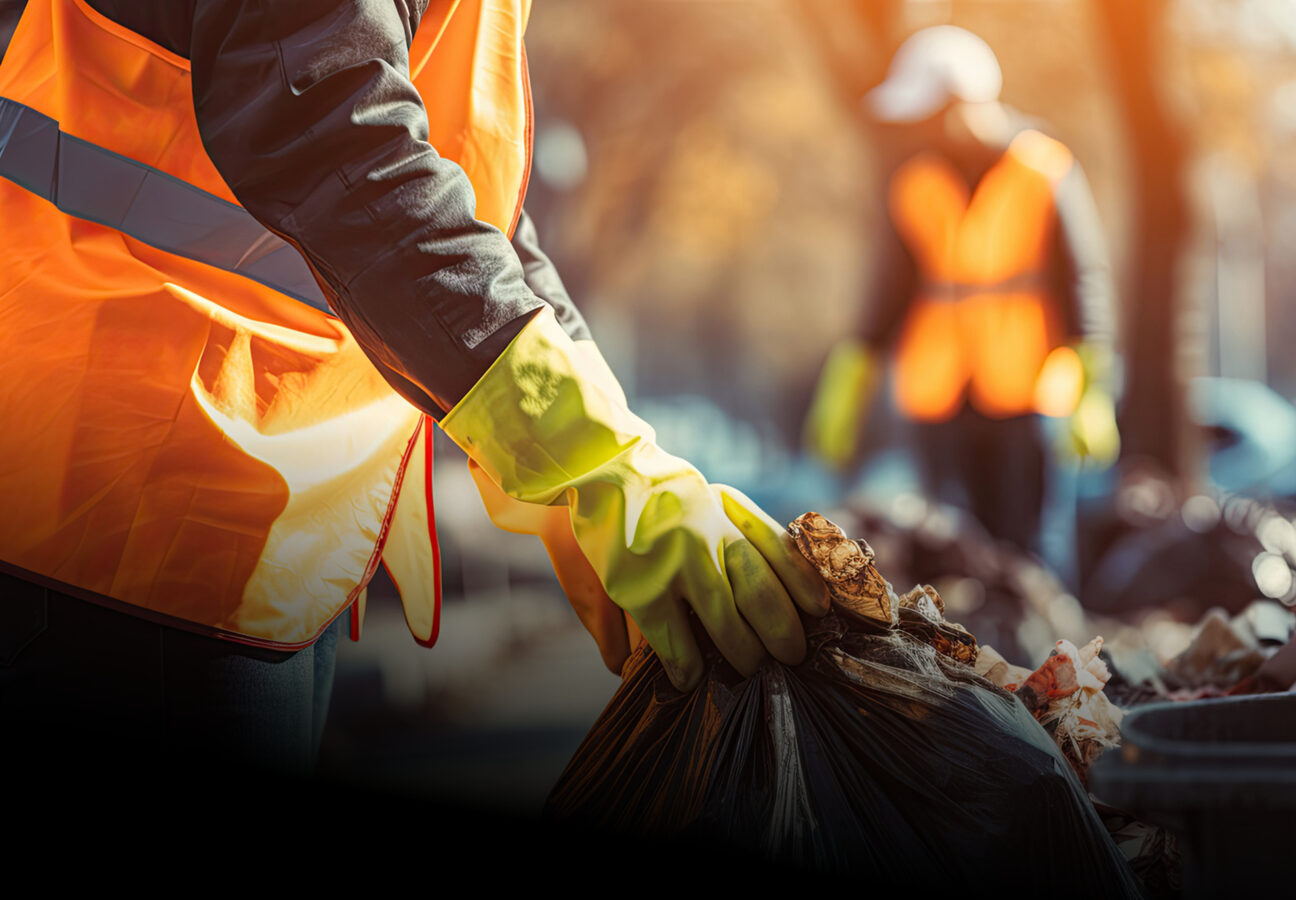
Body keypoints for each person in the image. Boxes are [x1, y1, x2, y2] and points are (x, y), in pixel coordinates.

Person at [0, 0, 827, 772]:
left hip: (231, 518)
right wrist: (591, 460)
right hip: (121, 506)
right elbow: (329, 124)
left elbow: (470, 194)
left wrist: (593, 454)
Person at [804, 25, 1120, 558]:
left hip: (1029, 389)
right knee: (953, 547)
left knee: (1034, 545)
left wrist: (1094, 387)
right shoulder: (915, 180)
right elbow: (892, 288)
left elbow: (1081, 276)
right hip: (941, 394)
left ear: (957, 107)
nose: (911, 132)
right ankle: (973, 644)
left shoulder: (1043, 167)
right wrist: (849, 376)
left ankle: (1045, 642)